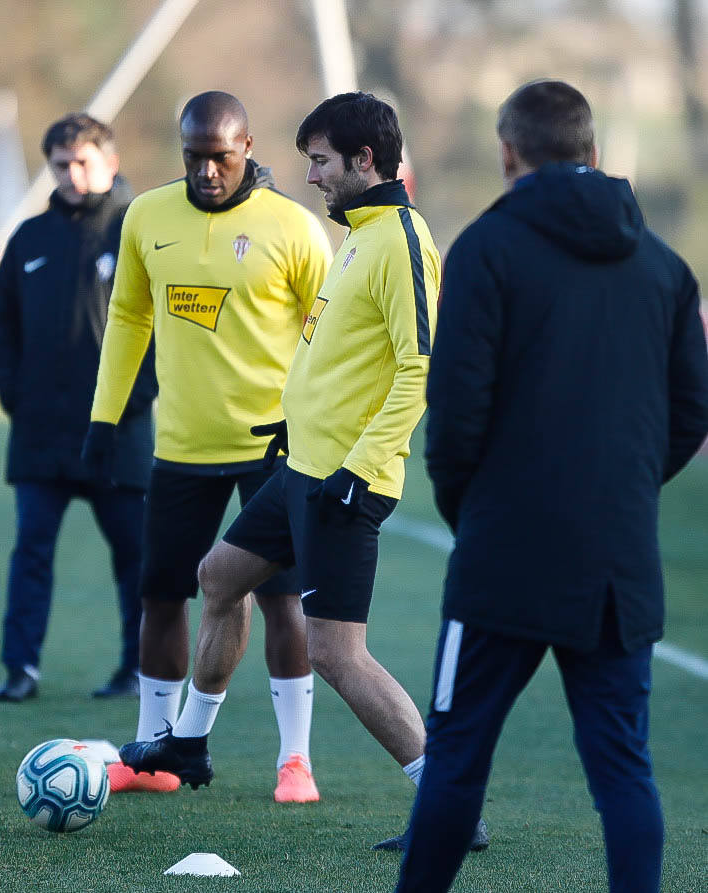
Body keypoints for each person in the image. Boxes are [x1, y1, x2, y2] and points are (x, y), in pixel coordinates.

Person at [116, 91, 485, 849]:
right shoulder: (356, 232)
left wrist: (362, 463)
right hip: (300, 469)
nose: (308, 175)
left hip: (344, 483)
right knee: (217, 577)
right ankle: (188, 741)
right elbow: (338, 352)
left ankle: (449, 808)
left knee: (335, 653)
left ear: (363, 161)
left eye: (319, 161)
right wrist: (297, 416)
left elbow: (422, 369)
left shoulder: (403, 241)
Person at [394, 79, 708, 893]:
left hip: (504, 551)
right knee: (622, 770)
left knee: (457, 752)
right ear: (593, 152)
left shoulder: (485, 249)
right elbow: (690, 412)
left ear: (508, 153)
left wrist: (475, 509)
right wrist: (627, 488)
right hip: (616, 557)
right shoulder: (665, 268)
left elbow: (454, 414)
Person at [83, 91, 333, 799]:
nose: (206, 172)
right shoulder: (145, 217)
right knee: (161, 595)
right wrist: (105, 417)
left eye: (220, 157)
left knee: (285, 601)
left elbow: (327, 334)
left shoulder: (293, 227)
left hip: (274, 451)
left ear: (247, 146)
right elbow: (129, 314)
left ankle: (295, 761)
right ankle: (154, 754)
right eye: (193, 158)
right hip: (181, 447)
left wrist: (310, 421)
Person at [0, 113, 156, 703]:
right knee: (30, 554)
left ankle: (138, 671)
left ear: (110, 161)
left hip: (118, 435)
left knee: (136, 561)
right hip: (41, 434)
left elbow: (164, 329)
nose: (72, 173)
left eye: (83, 161)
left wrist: (130, 403)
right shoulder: (29, 238)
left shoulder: (140, 231)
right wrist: (13, 390)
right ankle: (20, 669)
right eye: (61, 164)